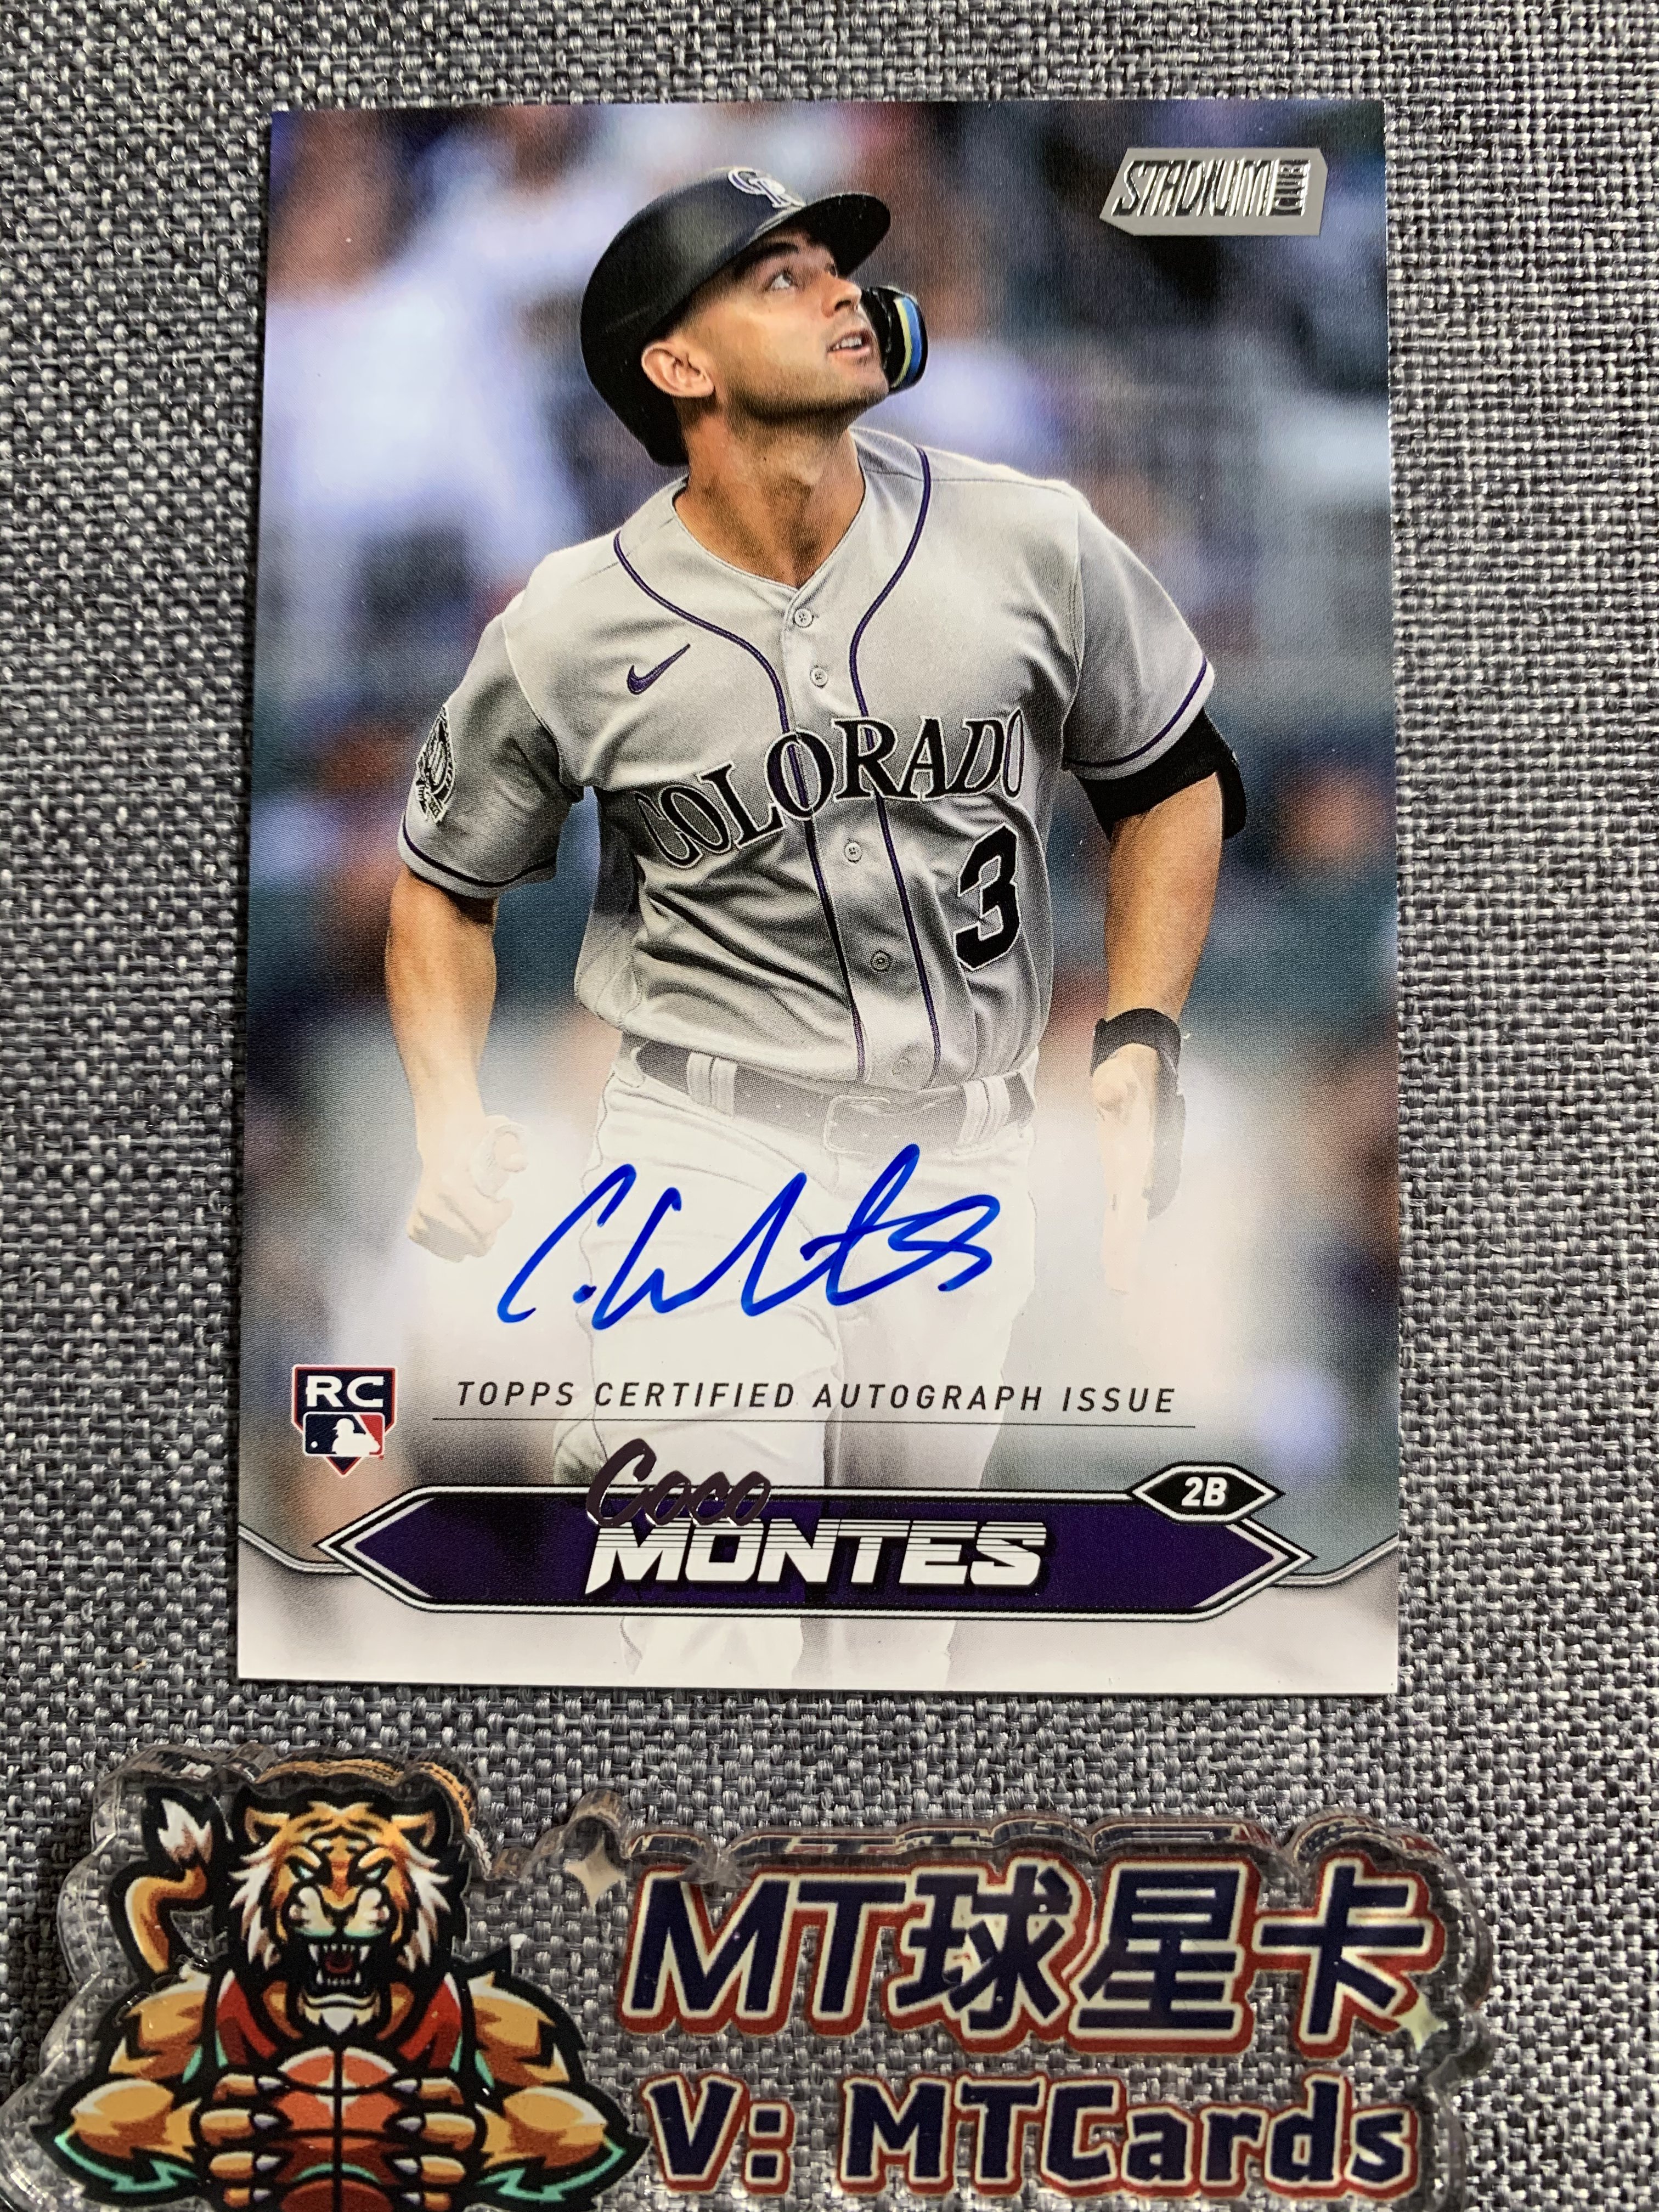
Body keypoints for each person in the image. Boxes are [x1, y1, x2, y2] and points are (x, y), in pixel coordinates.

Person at [384, 166, 1244, 1526]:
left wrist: (1142, 1025)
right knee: (714, 1582)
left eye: (839, 269)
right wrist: (444, 1117)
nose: (843, 291)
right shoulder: (571, 622)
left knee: (892, 1607)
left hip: (962, 1163)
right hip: (709, 1152)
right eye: (781, 278)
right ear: (680, 365)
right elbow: (443, 890)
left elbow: (1174, 778)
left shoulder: (1032, 538)